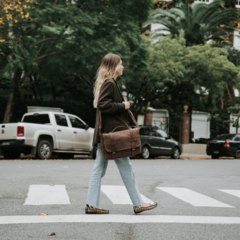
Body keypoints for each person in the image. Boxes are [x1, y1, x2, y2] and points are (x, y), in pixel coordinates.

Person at [85, 53, 158, 214]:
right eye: (120, 64)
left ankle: (91, 204)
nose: (123, 66)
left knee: (99, 170)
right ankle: (138, 203)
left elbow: (101, 106)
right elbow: (104, 105)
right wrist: (122, 106)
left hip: (106, 135)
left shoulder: (106, 82)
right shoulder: (110, 82)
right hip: (114, 137)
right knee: (126, 169)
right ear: (113, 67)